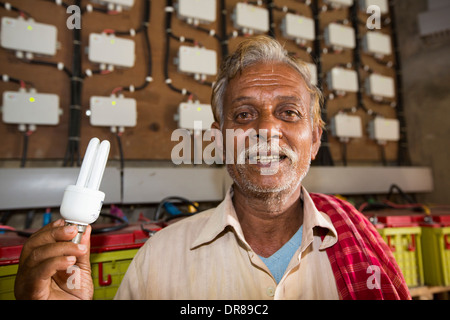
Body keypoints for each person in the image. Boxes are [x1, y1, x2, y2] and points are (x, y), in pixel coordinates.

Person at [14, 35, 410, 300]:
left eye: (288, 112)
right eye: (243, 115)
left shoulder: (361, 242)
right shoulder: (159, 259)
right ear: (219, 139)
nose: (267, 130)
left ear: (316, 138)